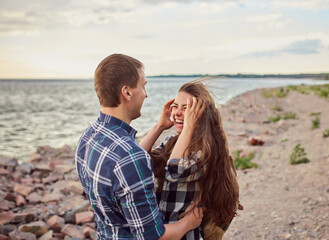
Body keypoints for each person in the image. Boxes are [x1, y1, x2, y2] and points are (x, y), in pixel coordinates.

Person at [75, 54, 204, 240]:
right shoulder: (129, 156)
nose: (146, 94)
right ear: (127, 92)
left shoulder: (88, 137)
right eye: (143, 86)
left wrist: (159, 126)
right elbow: (153, 237)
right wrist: (189, 223)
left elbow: (125, 169)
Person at [140, 80, 240, 240]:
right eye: (176, 106)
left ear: (200, 113)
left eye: (186, 108)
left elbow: (174, 171)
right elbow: (137, 161)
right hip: (165, 231)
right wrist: (159, 126)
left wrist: (188, 127)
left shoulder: (204, 150)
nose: (177, 113)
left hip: (186, 235)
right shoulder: (174, 141)